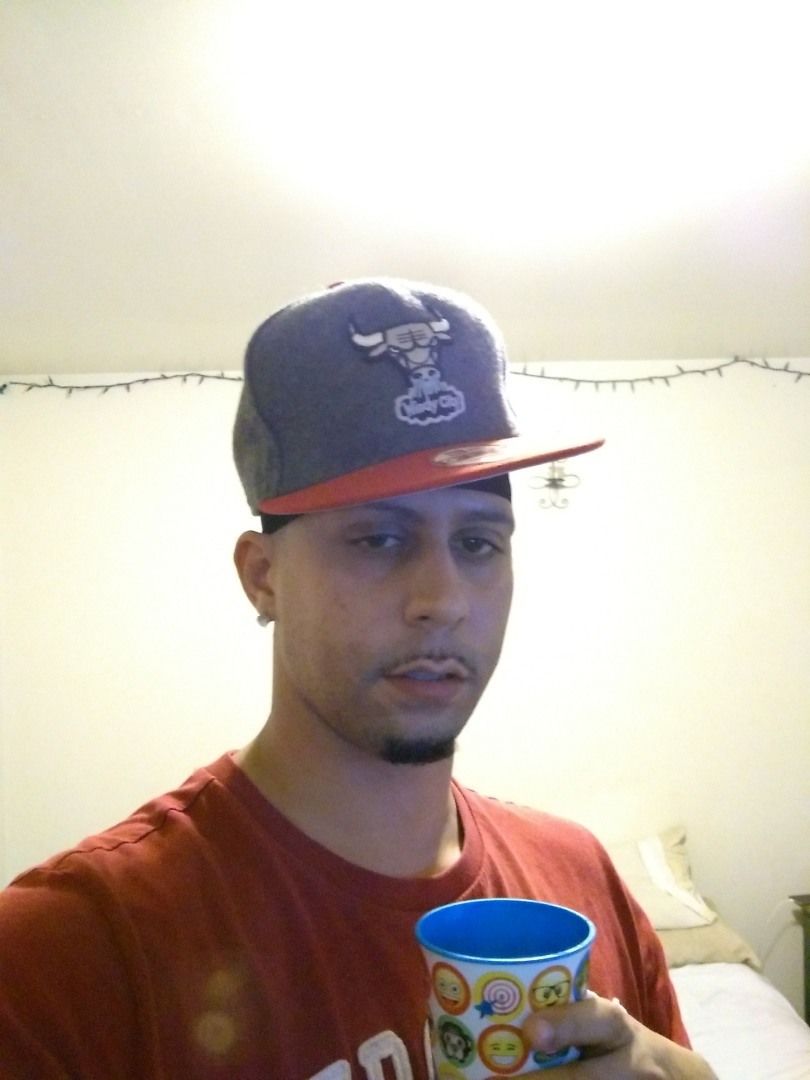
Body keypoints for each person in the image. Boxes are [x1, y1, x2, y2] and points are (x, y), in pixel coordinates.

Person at [0, 278, 715, 1079]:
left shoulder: (580, 878)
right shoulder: (64, 957)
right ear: (263, 577)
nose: (442, 600)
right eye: (378, 540)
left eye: (478, 543)